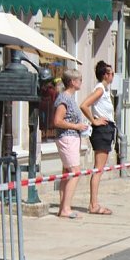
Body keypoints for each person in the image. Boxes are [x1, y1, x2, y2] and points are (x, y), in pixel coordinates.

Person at [78, 61, 116, 216]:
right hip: (102, 131)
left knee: (99, 169)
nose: (113, 76)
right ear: (105, 75)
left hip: (106, 130)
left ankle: (94, 203)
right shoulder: (100, 89)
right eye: (111, 73)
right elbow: (84, 105)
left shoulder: (104, 90)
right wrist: (94, 121)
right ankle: (93, 204)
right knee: (98, 169)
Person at [52, 69, 90, 219]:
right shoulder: (64, 98)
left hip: (72, 137)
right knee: (75, 172)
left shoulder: (70, 98)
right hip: (67, 137)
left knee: (67, 173)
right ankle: (66, 209)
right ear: (73, 82)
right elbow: (57, 121)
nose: (81, 82)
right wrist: (77, 126)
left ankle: (63, 207)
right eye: (79, 79)